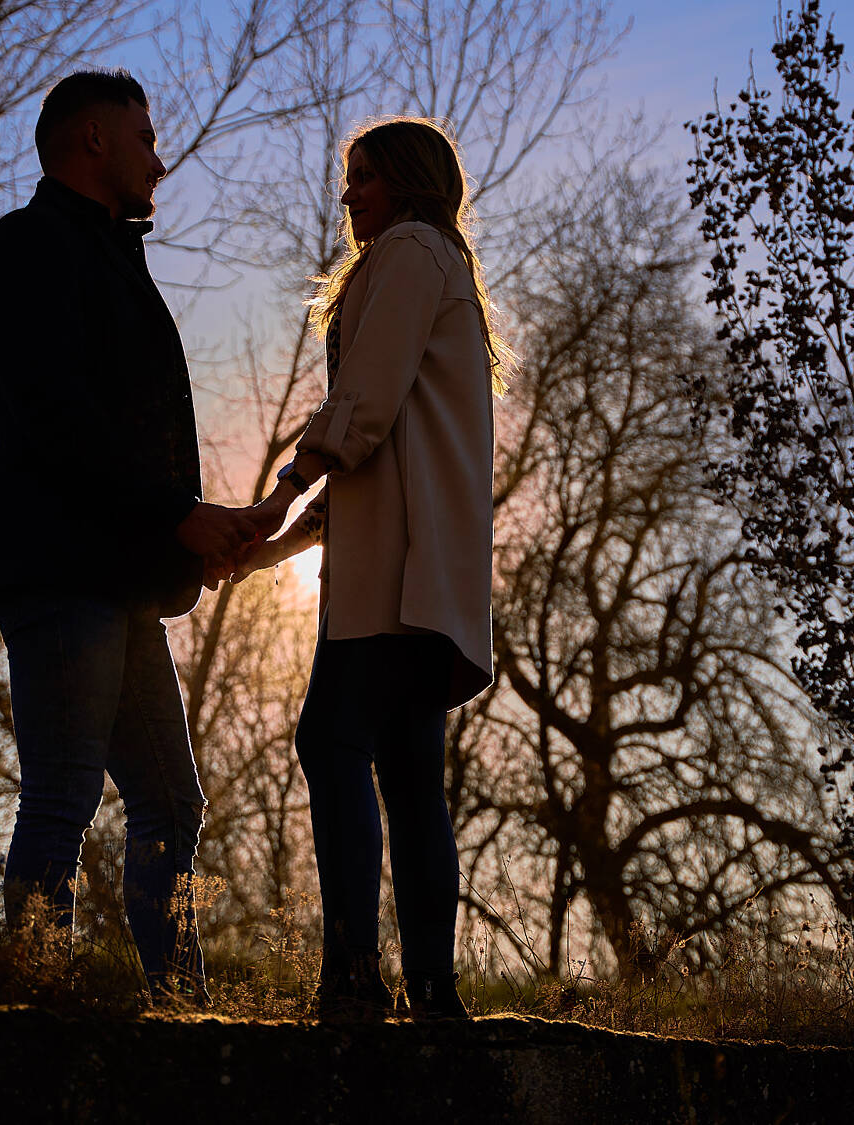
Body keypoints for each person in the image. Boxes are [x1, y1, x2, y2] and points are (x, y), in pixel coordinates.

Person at [0, 69, 273, 1004]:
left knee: (172, 802)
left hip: (127, 578)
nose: (160, 157)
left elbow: (128, 430)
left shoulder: (108, 256)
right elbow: (56, 420)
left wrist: (189, 534)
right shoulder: (27, 249)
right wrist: (179, 516)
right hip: (61, 573)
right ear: (93, 139)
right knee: (62, 796)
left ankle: (181, 1005)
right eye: (145, 136)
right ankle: (29, 1004)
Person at [229, 117, 506, 1021]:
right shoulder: (429, 263)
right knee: (410, 773)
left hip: (399, 581)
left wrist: (283, 489)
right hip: (419, 578)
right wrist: (284, 539)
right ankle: (433, 993)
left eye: (365, 177)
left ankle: (353, 979)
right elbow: (378, 443)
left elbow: (366, 402)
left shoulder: (413, 249)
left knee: (331, 741)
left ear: (407, 183)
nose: (349, 196)